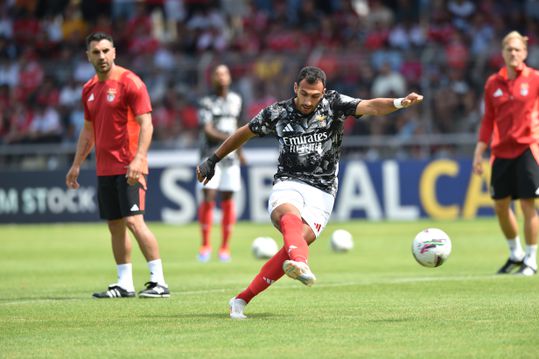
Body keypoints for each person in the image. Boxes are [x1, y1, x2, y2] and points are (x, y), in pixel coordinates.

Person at [196, 66, 423, 318]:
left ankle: (240, 300)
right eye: (303, 94)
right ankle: (302, 263)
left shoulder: (334, 104)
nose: (307, 101)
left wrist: (400, 102)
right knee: (286, 214)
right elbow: (244, 133)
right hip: (288, 182)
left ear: (323, 92)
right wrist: (213, 159)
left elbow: (371, 106)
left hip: (323, 190)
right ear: (295, 88)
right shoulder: (278, 112)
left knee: (294, 245)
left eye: (314, 96)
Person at [66, 32, 170, 298]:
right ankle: (125, 283)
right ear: (87, 56)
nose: (101, 56)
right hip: (104, 168)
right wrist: (76, 164)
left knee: (134, 221)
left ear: (114, 52)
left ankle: (159, 282)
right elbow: (88, 131)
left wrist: (138, 159)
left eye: (105, 51)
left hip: (128, 166)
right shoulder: (89, 89)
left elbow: (147, 124)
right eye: (95, 52)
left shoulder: (130, 82)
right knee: (114, 224)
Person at [472, 31, 539, 277]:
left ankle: (531, 259)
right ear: (502, 52)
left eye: (517, 49)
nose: (513, 53)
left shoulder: (535, 79)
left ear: (525, 52)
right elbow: (488, 120)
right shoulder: (493, 83)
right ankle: (516, 254)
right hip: (500, 151)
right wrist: (479, 153)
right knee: (500, 205)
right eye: (509, 49)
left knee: (527, 204)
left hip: (527, 148)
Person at [197, 64, 246, 263]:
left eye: (224, 73)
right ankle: (206, 244)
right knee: (209, 196)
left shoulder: (236, 100)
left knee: (228, 197)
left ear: (230, 78)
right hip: (210, 156)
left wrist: (240, 150)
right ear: (212, 79)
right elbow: (207, 129)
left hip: (232, 158)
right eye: (217, 74)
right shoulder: (206, 102)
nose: (221, 77)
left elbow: (241, 128)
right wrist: (229, 138)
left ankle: (225, 247)